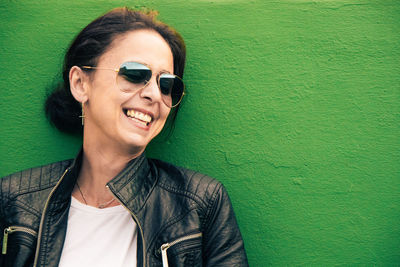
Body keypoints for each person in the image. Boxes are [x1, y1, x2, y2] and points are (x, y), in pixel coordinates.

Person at [0, 7, 248, 267]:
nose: (154, 94)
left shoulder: (201, 205)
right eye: (134, 73)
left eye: (167, 84)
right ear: (80, 84)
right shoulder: (15, 201)